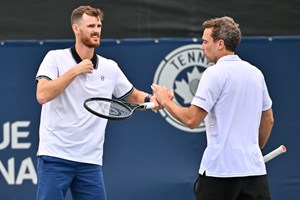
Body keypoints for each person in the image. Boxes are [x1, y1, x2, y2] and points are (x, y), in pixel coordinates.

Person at [35, 5, 159, 200]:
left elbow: (132, 95)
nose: (96, 30)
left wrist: (152, 100)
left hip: (90, 162)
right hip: (55, 156)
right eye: (91, 25)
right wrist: (75, 71)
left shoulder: (110, 67)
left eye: (99, 26)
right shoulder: (55, 58)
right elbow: (42, 95)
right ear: (76, 29)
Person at [151, 16, 274, 200]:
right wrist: (253, 150)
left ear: (220, 44)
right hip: (254, 173)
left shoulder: (214, 73)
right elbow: (268, 119)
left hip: (220, 176)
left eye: (205, 41)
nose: (201, 46)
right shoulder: (256, 73)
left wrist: (165, 100)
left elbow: (191, 120)